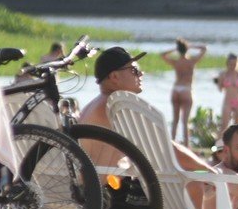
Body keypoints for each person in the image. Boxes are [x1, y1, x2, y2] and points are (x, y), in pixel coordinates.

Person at [79, 46, 212, 174]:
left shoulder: (95, 105)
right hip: (107, 190)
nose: (141, 73)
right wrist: (209, 170)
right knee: (201, 179)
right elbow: (165, 147)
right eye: (134, 70)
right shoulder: (116, 106)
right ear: (114, 77)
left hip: (93, 185)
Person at [161, 38, 208, 143]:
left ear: (178, 50)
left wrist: (175, 49)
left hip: (176, 89)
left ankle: (172, 144)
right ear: (187, 49)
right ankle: (187, 147)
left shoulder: (176, 62)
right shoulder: (191, 61)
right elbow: (204, 49)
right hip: (186, 89)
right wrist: (191, 46)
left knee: (175, 121)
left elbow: (162, 55)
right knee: (185, 122)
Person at [215, 53, 238, 133]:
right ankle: (217, 145)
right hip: (228, 102)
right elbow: (220, 89)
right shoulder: (223, 74)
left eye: (235, 64)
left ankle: (234, 145)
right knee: (224, 125)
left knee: (237, 127)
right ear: (227, 63)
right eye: (231, 64)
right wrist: (218, 82)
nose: (233, 66)